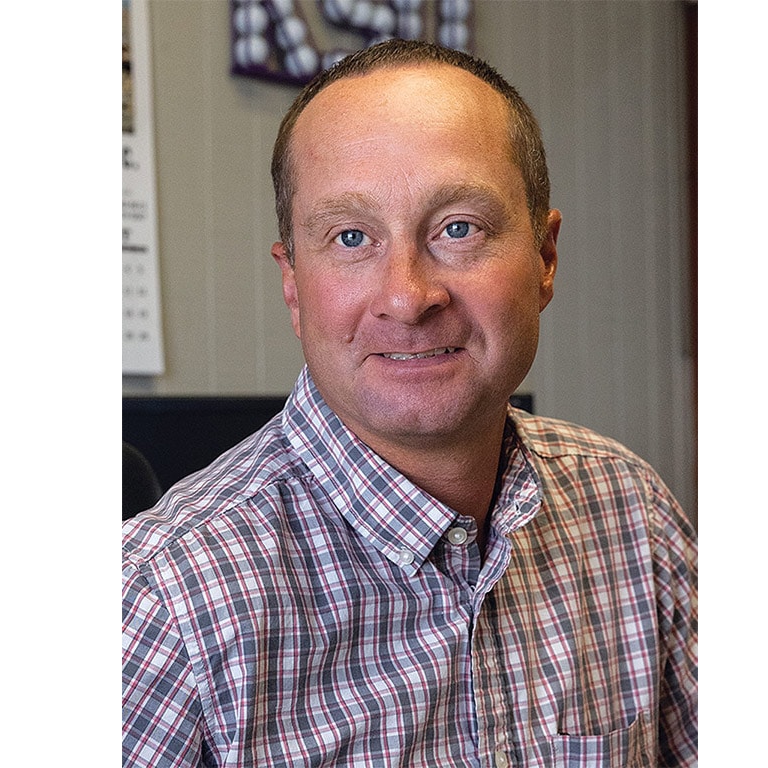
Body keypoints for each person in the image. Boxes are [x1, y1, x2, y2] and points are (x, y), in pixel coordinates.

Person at [122, 39, 697, 767]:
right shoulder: (160, 603)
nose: (407, 295)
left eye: (459, 228)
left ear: (545, 258)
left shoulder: (629, 513)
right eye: (351, 236)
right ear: (293, 284)